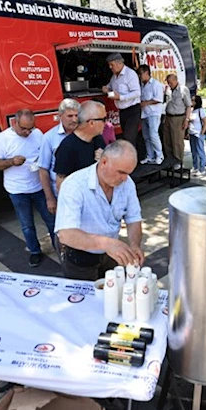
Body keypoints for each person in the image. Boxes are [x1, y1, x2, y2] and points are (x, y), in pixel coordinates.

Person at [55, 140, 144, 280]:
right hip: (80, 253)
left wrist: (134, 245)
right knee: (85, 298)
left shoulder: (127, 183)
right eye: (121, 172)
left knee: (112, 292)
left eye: (128, 173)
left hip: (110, 252)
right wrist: (106, 243)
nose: (125, 178)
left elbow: (133, 218)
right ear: (103, 162)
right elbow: (66, 234)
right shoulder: (74, 185)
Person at [0, 109, 56, 267]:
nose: (27, 132)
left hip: (39, 186)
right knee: (27, 224)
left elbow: (46, 154)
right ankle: (34, 251)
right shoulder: (3, 138)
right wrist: (11, 162)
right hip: (17, 190)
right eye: (24, 128)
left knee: (51, 220)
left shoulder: (38, 134)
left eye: (30, 128)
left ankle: (59, 247)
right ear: (15, 123)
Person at [54, 101, 107, 194]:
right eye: (104, 119)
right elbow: (61, 185)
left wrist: (105, 160)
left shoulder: (98, 139)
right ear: (91, 123)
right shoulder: (67, 147)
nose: (106, 123)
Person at [39, 98, 81, 216]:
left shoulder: (85, 134)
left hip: (84, 191)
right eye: (70, 116)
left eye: (77, 115)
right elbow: (43, 170)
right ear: (60, 116)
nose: (74, 119)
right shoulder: (49, 138)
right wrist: (50, 198)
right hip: (62, 193)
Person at [102, 53, 141, 149]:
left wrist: (120, 97)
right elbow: (110, 85)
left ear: (119, 63)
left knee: (129, 138)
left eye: (112, 65)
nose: (110, 67)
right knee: (125, 137)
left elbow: (137, 93)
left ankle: (132, 162)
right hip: (122, 111)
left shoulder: (130, 74)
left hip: (133, 110)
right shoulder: (114, 76)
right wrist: (106, 88)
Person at [163, 74, 192, 170]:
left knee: (177, 141)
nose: (169, 84)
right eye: (168, 82)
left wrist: (187, 120)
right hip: (168, 116)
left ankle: (178, 161)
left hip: (178, 117)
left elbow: (188, 106)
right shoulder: (168, 89)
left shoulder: (183, 90)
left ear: (176, 80)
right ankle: (170, 159)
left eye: (171, 82)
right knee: (167, 139)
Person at [139, 65, 164, 165]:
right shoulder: (141, 85)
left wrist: (146, 103)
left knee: (153, 135)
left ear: (146, 73)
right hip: (144, 114)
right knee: (146, 136)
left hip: (153, 113)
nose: (139, 76)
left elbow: (159, 99)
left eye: (140, 73)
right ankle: (150, 156)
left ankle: (159, 155)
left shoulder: (156, 84)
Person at [188, 95, 206, 175]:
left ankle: (202, 168)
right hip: (191, 132)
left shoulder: (201, 111)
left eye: (193, 100)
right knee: (193, 151)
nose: (191, 102)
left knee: (200, 150)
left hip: (198, 133)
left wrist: (202, 132)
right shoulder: (191, 110)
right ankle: (195, 166)